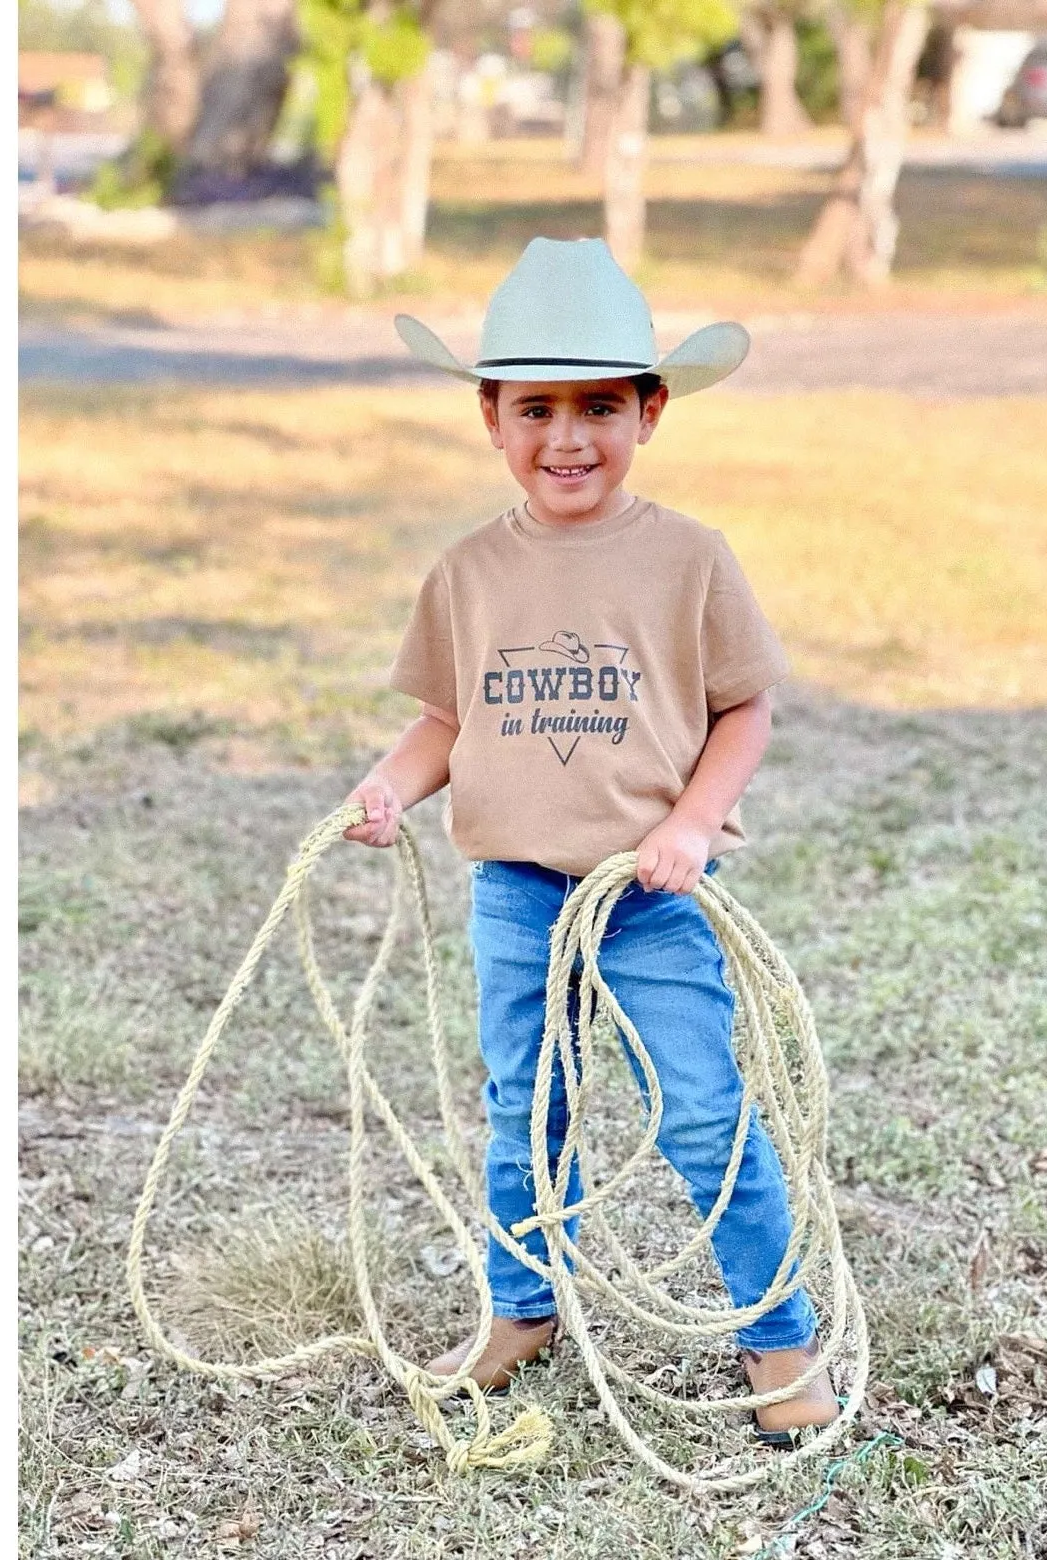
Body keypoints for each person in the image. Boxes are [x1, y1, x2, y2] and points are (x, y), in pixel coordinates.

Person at [340, 237, 839, 1442]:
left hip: (650, 897)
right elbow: (449, 719)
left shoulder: (689, 560)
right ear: (491, 418)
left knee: (705, 1114)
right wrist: (388, 786)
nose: (570, 438)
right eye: (538, 409)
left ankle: (778, 1338)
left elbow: (743, 707)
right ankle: (523, 1307)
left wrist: (692, 820)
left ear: (651, 411)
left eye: (601, 407)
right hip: (516, 892)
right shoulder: (467, 574)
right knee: (525, 1108)